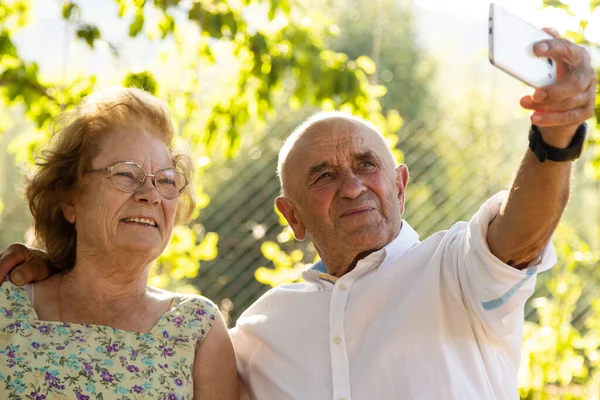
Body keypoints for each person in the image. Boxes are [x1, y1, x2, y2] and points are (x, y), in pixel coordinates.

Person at [1, 32, 596, 399]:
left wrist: (557, 137)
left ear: (401, 184)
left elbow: (521, 231)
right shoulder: (257, 331)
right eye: (324, 176)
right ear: (292, 217)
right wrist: (55, 266)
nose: (353, 186)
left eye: (368, 166)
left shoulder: (458, 272)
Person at [0, 87, 238, 399]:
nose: (150, 194)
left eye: (166, 180)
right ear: (70, 200)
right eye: (126, 174)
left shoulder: (196, 327)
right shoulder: (8, 303)